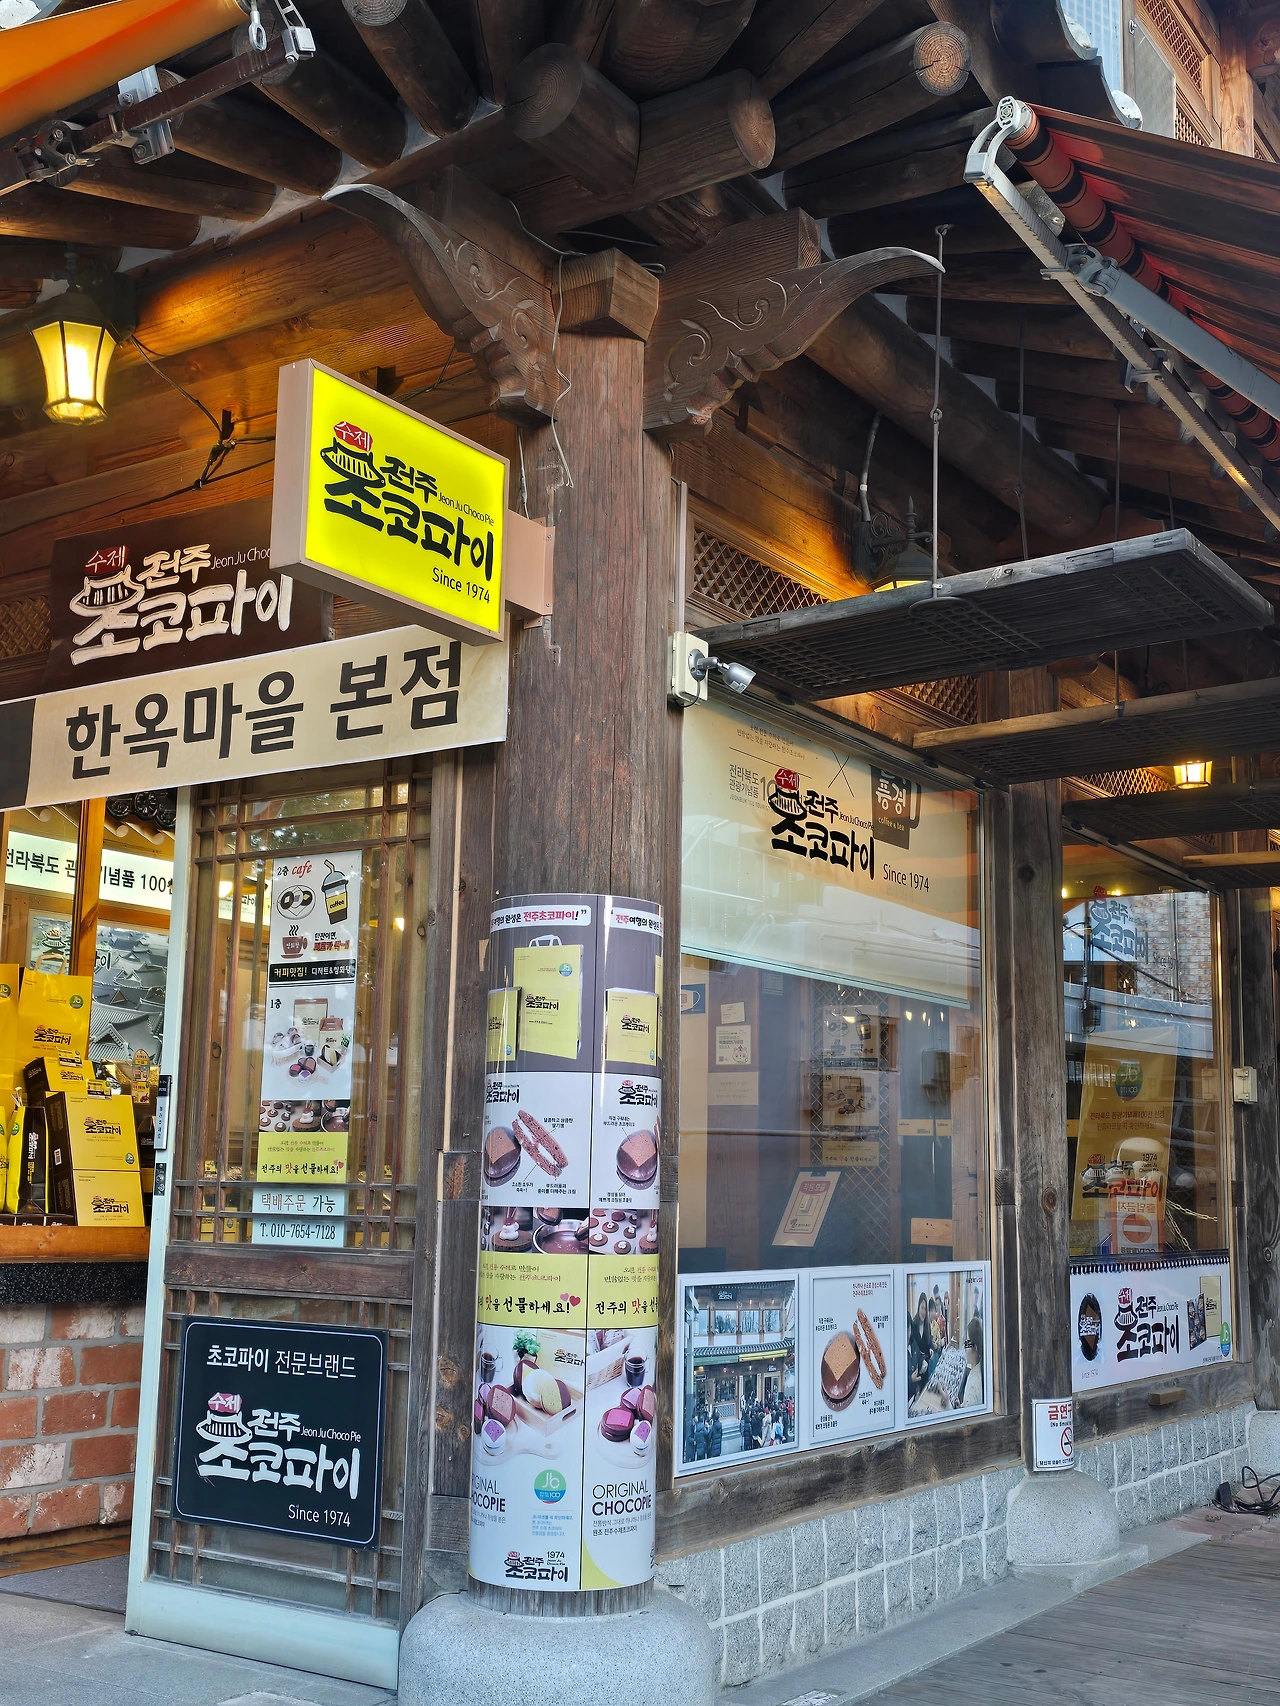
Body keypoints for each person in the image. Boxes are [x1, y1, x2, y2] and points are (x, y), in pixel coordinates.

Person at [908, 1292, 932, 1399]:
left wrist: (931, 1349)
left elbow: (929, 1343)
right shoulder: (913, 1325)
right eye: (922, 1308)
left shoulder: (928, 1325)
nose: (923, 1312)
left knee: (925, 1394)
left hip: (926, 1367)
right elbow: (912, 1347)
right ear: (918, 1308)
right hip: (915, 1369)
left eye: (925, 1309)